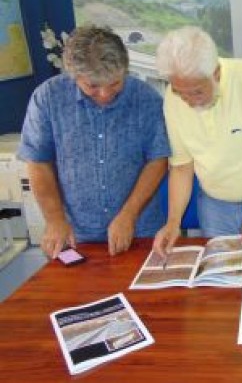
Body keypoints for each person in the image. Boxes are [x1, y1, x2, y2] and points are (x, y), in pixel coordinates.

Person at [18, 26, 170, 258]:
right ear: (74, 75)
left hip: (140, 229)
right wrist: (55, 219)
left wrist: (128, 214)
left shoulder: (147, 99)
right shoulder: (47, 98)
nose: (105, 94)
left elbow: (157, 160)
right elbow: (39, 162)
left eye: (115, 84)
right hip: (76, 234)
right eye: (93, 86)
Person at [152, 26, 242, 257]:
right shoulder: (173, 99)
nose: (188, 101)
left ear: (215, 74)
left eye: (196, 92)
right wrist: (173, 221)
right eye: (179, 92)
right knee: (222, 279)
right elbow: (182, 167)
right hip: (214, 206)